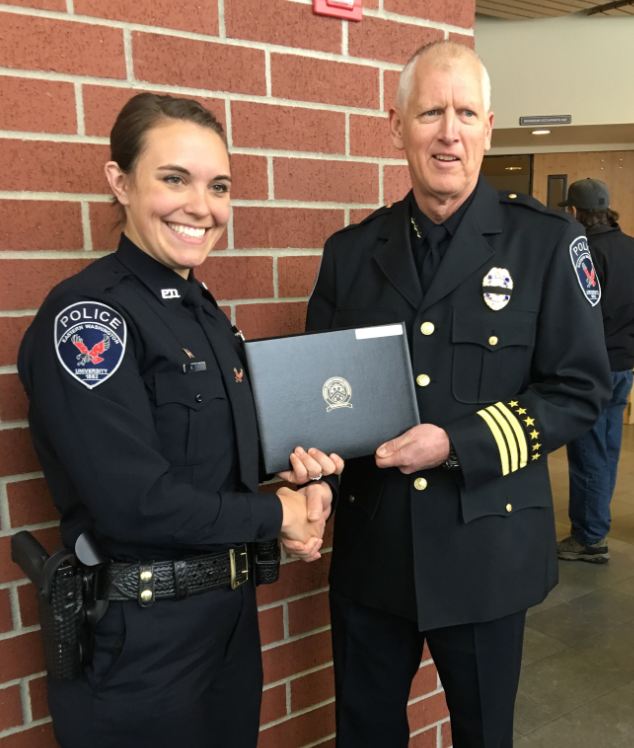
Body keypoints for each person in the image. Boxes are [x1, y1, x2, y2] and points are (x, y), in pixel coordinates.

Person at [306, 41, 611, 747]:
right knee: (365, 734)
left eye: (466, 113)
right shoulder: (350, 253)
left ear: (489, 125)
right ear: (397, 124)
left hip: (487, 553)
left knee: (481, 735)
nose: (449, 131)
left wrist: (457, 441)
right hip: (373, 552)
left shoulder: (545, 244)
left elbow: (578, 389)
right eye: (430, 112)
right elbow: (326, 396)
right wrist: (308, 470)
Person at [18, 93, 341, 748]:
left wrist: (289, 489)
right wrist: (276, 517)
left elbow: (210, 474)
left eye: (218, 186)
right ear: (120, 182)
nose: (202, 207)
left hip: (224, 623)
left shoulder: (201, 313)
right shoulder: (90, 318)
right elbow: (136, 505)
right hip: (139, 642)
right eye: (175, 179)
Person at [556, 178, 634, 564]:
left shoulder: (584, 252)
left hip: (593, 369)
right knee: (608, 448)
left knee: (588, 453)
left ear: (575, 211)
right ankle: (595, 527)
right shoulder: (630, 247)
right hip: (623, 367)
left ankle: (589, 537)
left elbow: (580, 314)